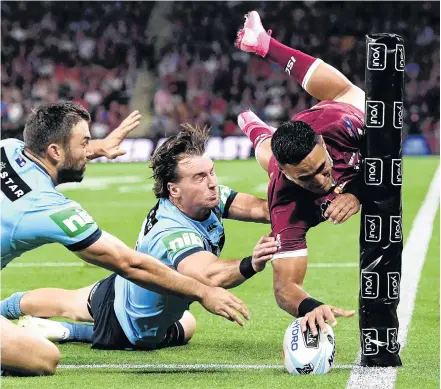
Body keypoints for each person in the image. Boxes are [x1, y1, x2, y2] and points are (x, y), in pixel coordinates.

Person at [0, 102, 249, 376]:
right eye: (84, 143)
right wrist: (204, 291)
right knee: (43, 358)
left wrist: (99, 148)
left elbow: (48, 155)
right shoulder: (48, 208)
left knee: (184, 323)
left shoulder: (9, 148)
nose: (88, 150)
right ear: (54, 151)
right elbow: (129, 264)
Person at [235, 11, 364, 335]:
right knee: (268, 159)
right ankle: (257, 130)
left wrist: (357, 193)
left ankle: (264, 44)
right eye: (307, 178)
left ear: (322, 144)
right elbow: (284, 288)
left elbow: (393, 159)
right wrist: (309, 305)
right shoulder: (284, 200)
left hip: (331, 110)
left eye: (322, 169)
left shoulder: (343, 124)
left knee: (351, 92)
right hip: (282, 162)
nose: (322, 181)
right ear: (290, 177)